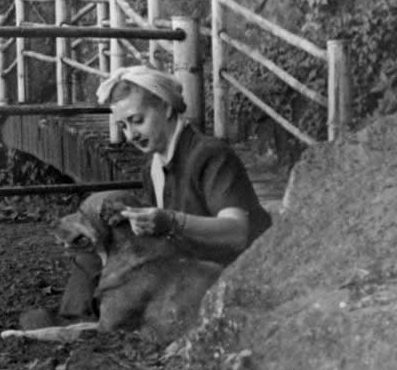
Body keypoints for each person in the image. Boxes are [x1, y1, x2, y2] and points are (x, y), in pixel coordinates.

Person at [31, 65, 274, 327]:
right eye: (123, 126)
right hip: (184, 269)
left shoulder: (210, 155)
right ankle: (80, 320)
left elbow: (237, 232)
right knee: (90, 256)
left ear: (167, 108)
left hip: (233, 273)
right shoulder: (153, 168)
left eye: (137, 120)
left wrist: (171, 221)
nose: (130, 134)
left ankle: (83, 325)